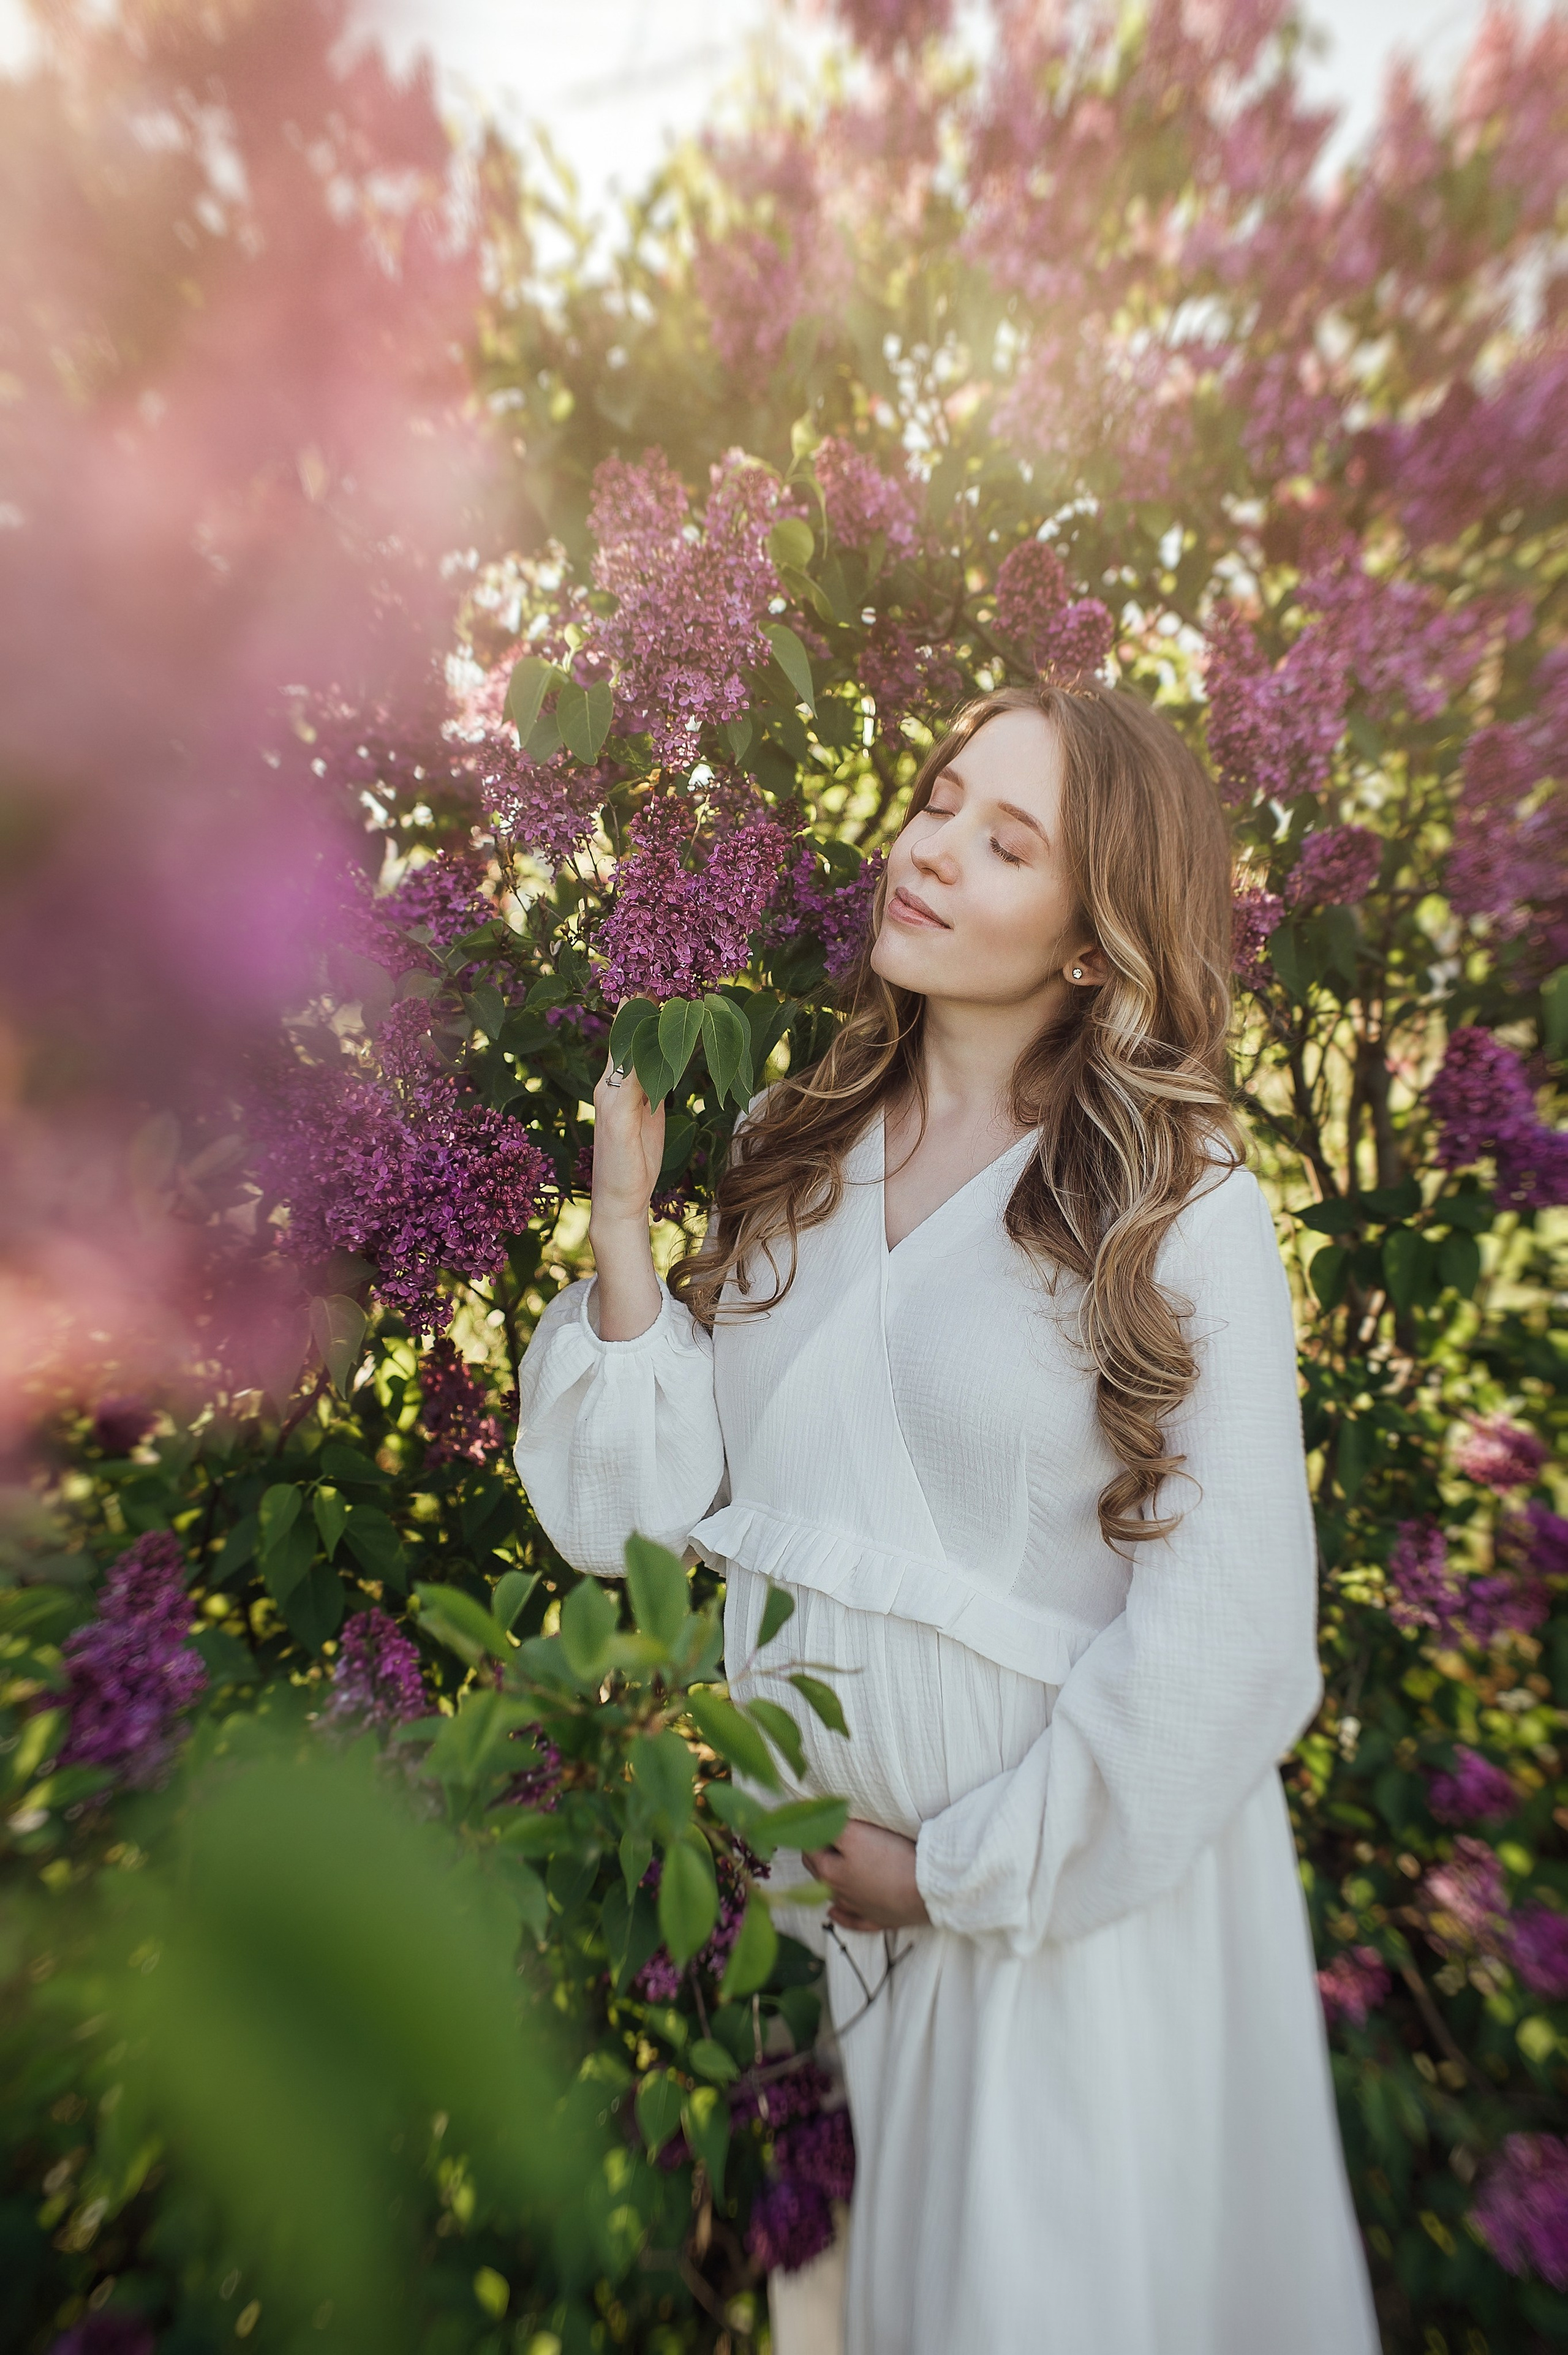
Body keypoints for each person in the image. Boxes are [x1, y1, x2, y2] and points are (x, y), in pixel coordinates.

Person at [513, 684, 1381, 2355]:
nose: (933, 848)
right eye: (935, 798)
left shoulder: (1176, 1210)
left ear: (1086, 936)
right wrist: (626, 1228)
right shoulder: (795, 1145)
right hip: (831, 1936)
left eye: (1007, 840)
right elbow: (649, 1511)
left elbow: (1233, 1640)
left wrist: (958, 1872)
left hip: (1068, 1922)